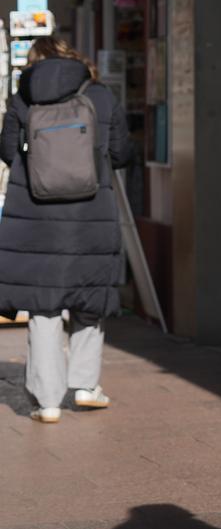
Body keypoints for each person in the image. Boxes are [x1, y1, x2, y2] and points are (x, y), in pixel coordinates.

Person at [0, 36, 134, 424]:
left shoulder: (23, 97)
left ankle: (47, 401)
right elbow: (122, 153)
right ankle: (86, 385)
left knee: (43, 309)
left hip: (35, 219)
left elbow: (8, 149)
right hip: (91, 216)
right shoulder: (101, 96)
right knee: (89, 302)